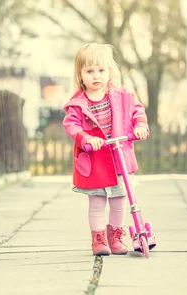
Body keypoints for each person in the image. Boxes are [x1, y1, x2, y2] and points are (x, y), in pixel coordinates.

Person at [62, 43, 149, 256]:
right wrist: (86, 138)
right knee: (97, 202)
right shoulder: (78, 104)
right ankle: (98, 239)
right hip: (96, 160)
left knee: (120, 200)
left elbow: (136, 110)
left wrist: (139, 125)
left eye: (101, 70)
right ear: (81, 75)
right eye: (89, 71)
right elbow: (71, 125)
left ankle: (115, 236)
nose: (96, 76)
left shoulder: (121, 96)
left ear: (110, 72)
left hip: (119, 157)